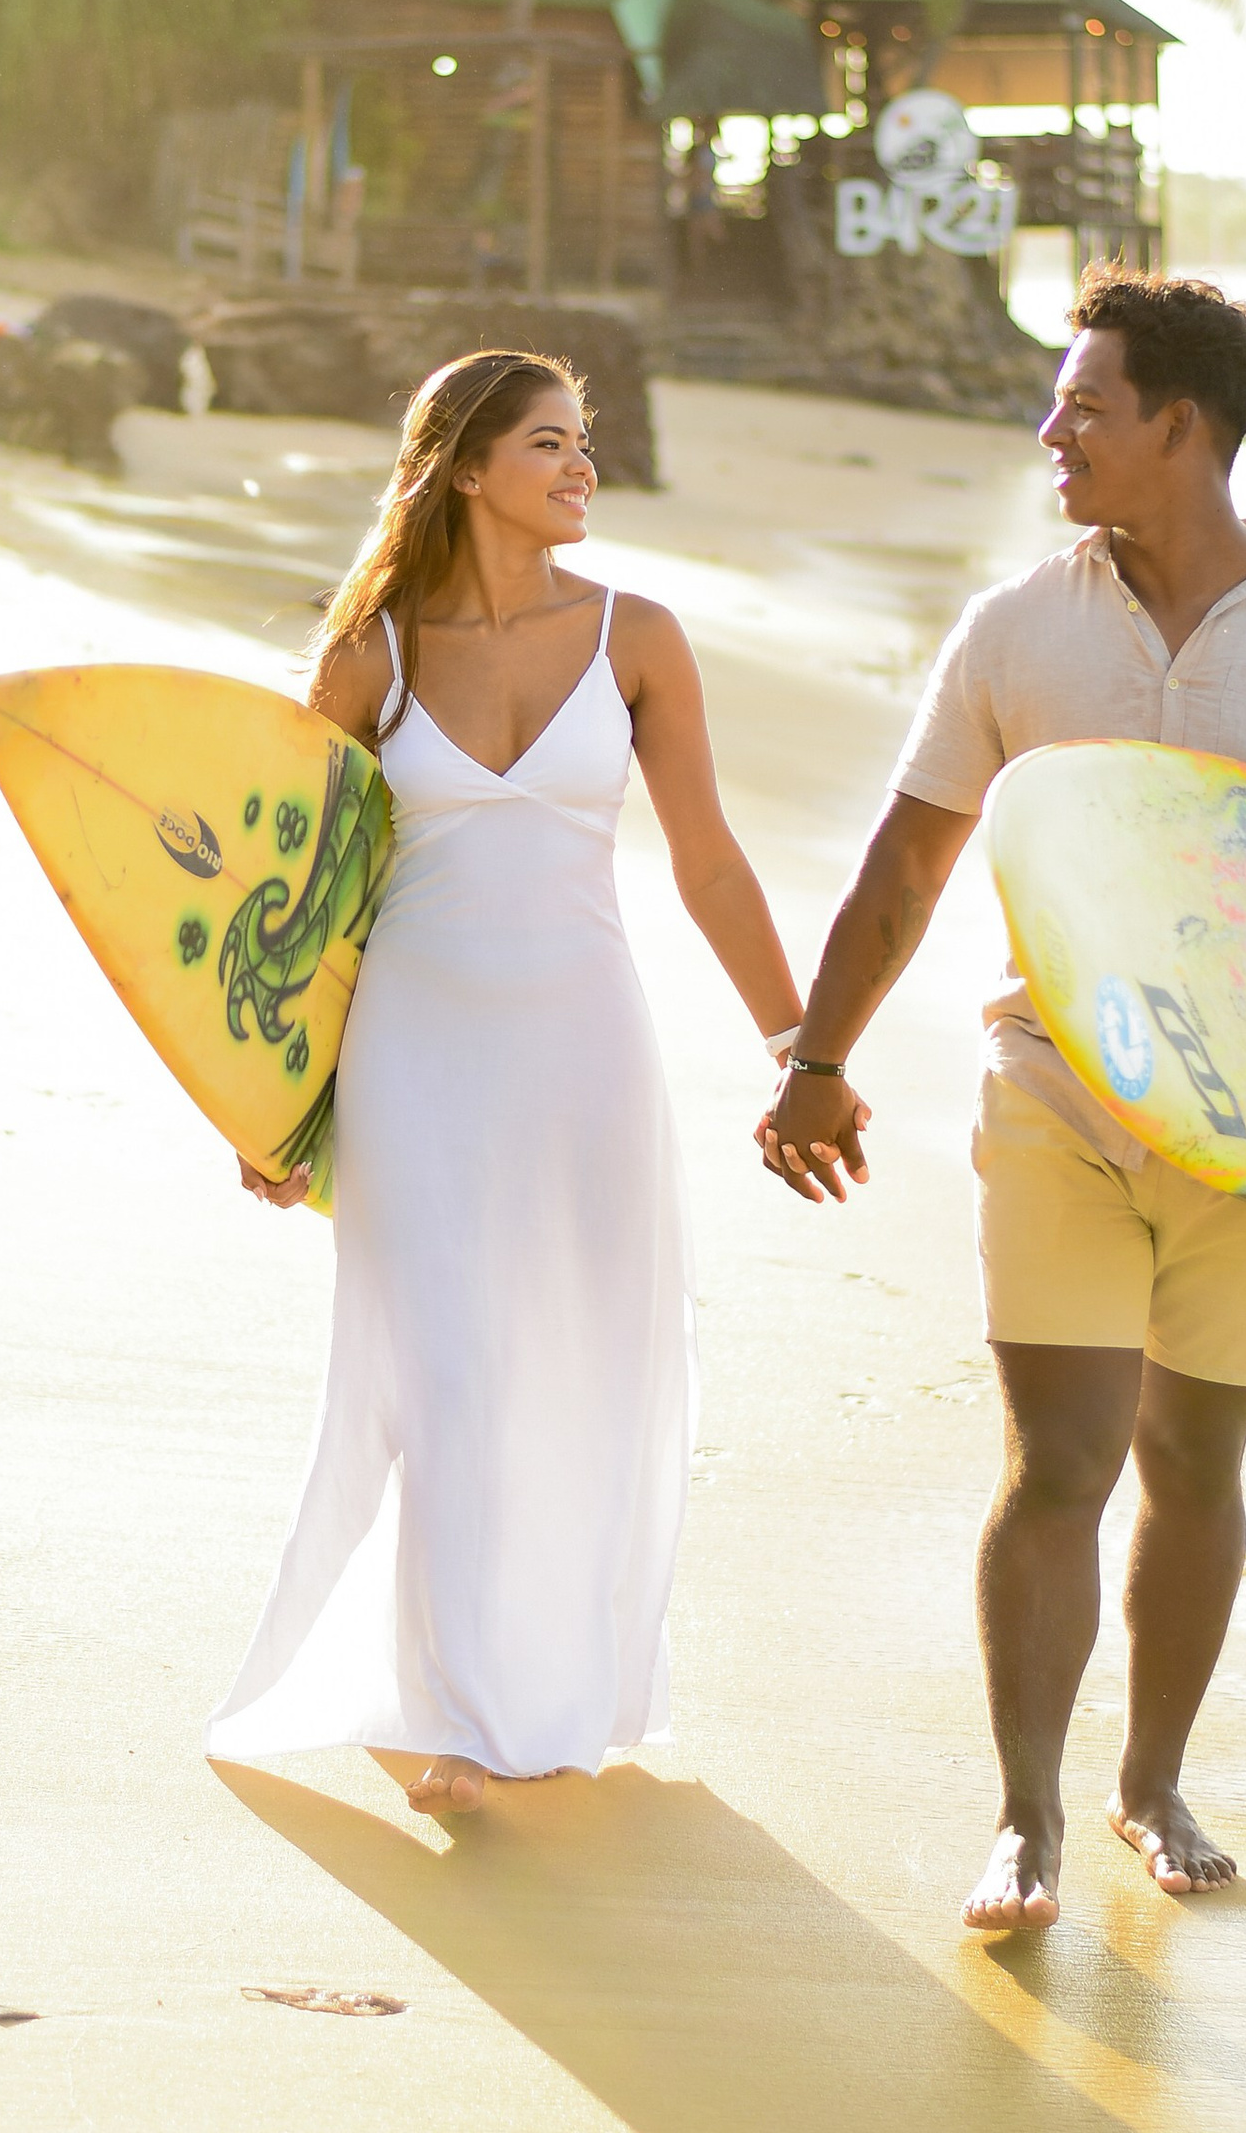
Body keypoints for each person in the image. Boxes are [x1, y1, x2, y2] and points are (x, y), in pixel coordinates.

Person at [758, 266, 1246, 1936]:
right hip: (1058, 1090)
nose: (1054, 431)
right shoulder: (1017, 631)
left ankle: (1150, 1781)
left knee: (1194, 1458)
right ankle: (1025, 1814)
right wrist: (816, 1059)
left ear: (1182, 426)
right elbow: (907, 863)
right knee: (1063, 1460)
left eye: (1085, 405)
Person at [209, 349, 823, 1814]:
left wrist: (801, 1048)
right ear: (469, 467)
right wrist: (267, 1105)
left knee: (578, 1357)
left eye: (584, 442)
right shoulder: (374, 656)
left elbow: (709, 862)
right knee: (443, 1370)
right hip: (412, 1051)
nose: (581, 467)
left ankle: (532, 1681)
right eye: (550, 443)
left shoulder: (637, 637)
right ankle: (459, 1721)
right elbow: (301, 898)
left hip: (582, 1046)